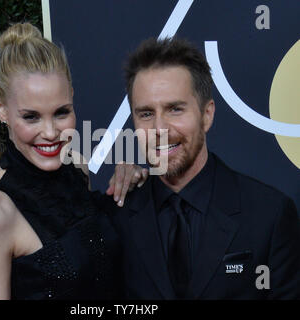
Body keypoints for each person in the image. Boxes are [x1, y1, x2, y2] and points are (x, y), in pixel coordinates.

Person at [0, 23, 148, 300]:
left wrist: (135, 183)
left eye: (61, 113)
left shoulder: (77, 168)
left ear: (72, 97)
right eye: (31, 117)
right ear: (0, 109)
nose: (51, 133)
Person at [110, 37, 300, 299]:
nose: (159, 129)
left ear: (206, 115)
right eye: (145, 114)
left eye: (175, 109)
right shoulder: (114, 220)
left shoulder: (270, 215)